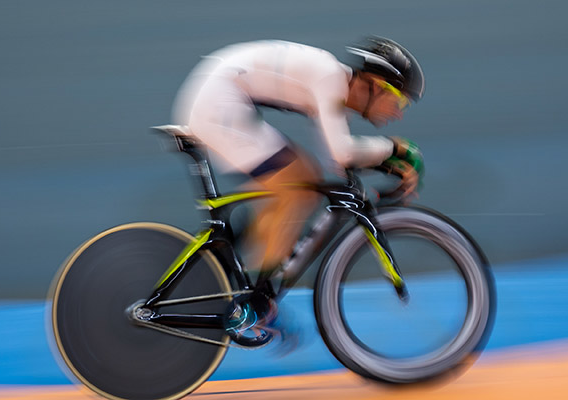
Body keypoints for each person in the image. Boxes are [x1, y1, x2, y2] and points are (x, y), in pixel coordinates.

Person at [171, 36, 425, 331]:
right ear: (376, 85)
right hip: (218, 101)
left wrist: (385, 162)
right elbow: (341, 152)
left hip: (220, 96)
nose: (399, 112)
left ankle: (232, 270)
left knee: (300, 182)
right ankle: (258, 303)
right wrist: (396, 150)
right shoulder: (330, 78)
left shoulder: (333, 88)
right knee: (296, 185)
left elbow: (339, 160)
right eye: (399, 100)